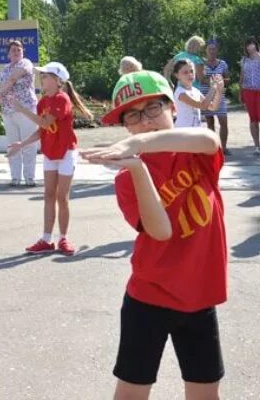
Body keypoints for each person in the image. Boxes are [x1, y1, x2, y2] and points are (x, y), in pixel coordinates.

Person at [82, 70, 226, 400]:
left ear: (172, 107)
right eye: (134, 115)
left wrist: (141, 142)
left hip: (199, 297)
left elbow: (211, 141)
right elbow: (160, 231)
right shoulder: (125, 180)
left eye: (152, 109)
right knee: (132, 392)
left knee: (205, 393)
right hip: (149, 298)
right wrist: (137, 166)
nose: (145, 120)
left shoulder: (194, 151)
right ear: (125, 124)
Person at [7, 62, 94, 256]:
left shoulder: (62, 99)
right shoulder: (42, 102)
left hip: (66, 153)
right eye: (42, 76)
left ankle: (63, 238)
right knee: (48, 195)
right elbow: (42, 129)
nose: (42, 79)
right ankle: (46, 239)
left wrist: (21, 109)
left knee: (62, 197)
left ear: (56, 80)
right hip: (50, 153)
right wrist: (21, 144)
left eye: (45, 76)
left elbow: (45, 122)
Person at [0, 39, 39, 187]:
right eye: (13, 50)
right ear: (8, 54)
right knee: (12, 145)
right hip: (8, 111)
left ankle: (29, 177)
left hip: (26, 110)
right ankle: (15, 177)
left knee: (28, 144)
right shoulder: (4, 69)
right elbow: (3, 91)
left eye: (19, 50)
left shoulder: (26, 63)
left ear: (23, 52)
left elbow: (12, 80)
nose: (16, 52)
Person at [171, 59, 223, 129]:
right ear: (177, 75)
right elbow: (203, 106)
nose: (190, 74)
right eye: (185, 72)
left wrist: (219, 91)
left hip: (196, 131)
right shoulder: (180, 92)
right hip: (183, 132)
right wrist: (213, 88)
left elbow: (213, 107)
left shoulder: (196, 91)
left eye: (192, 71)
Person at [201, 40, 230, 153]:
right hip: (206, 95)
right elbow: (201, 79)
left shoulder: (222, 63)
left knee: (223, 121)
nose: (212, 51)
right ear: (206, 50)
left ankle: (224, 147)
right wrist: (213, 82)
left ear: (217, 50)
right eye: (210, 49)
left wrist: (221, 81)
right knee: (210, 123)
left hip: (220, 95)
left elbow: (228, 79)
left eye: (214, 49)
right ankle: (214, 147)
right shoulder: (201, 63)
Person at [239, 37, 260, 154]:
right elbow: (241, 77)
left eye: (251, 44)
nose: (250, 46)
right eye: (248, 44)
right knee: (253, 120)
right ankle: (257, 146)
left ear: (255, 45)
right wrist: (240, 93)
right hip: (248, 91)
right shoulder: (244, 60)